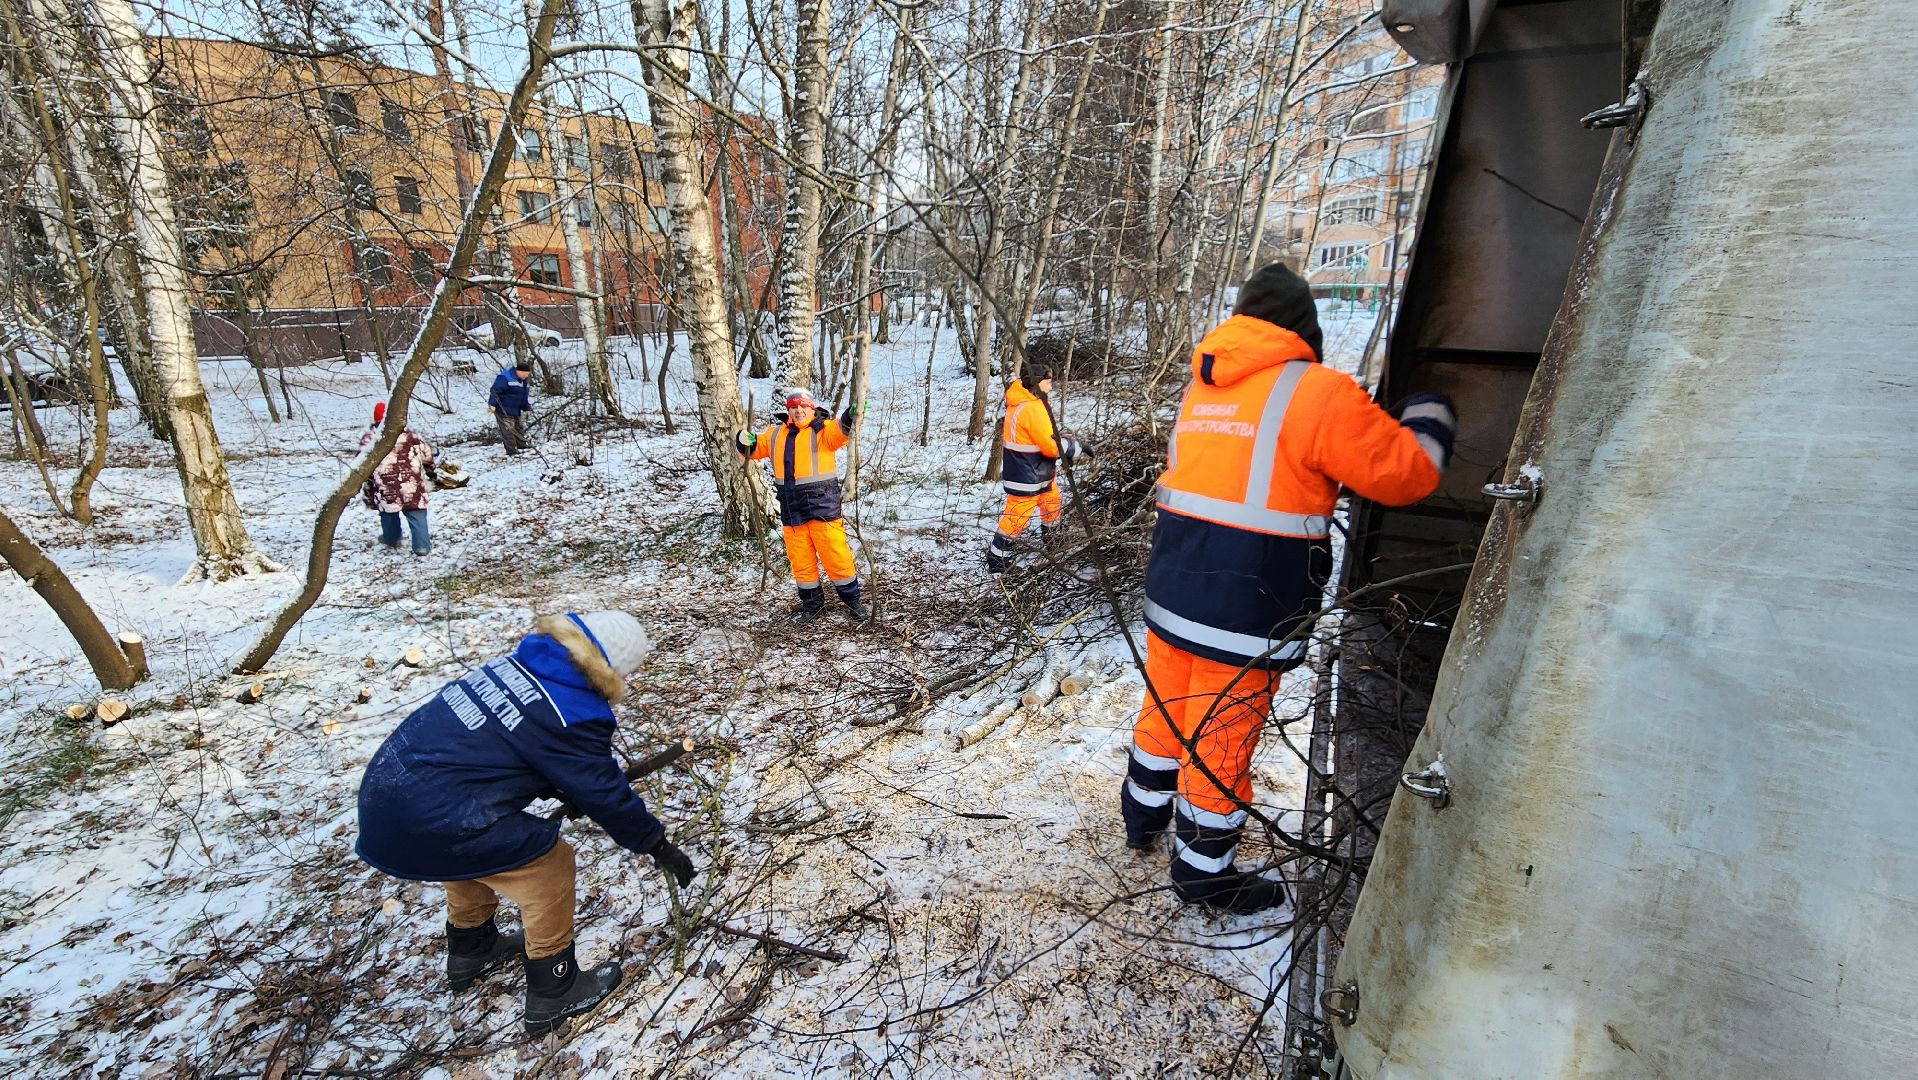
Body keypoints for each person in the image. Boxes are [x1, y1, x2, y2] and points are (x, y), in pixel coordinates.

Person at [1120, 262, 1457, 914]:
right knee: (1220, 742)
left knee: (1165, 707)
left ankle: (1142, 815)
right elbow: (1406, 474)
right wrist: (1431, 409)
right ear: (1304, 327)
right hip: (1245, 606)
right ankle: (1203, 874)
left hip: (1174, 587)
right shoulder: (1319, 393)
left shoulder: (1203, 386)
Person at [354, 611, 699, 1035]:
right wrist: (656, 845)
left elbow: (506, 743)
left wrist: (562, 785)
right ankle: (555, 988)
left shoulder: (518, 666)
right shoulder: (573, 711)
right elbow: (605, 793)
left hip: (389, 795)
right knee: (549, 865)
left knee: (473, 847)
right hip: (430, 817)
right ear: (611, 671)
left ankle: (472, 948)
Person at [734, 388, 870, 624]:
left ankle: (853, 602)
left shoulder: (823, 430)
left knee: (835, 555)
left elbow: (842, 430)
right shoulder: (775, 434)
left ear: (811, 408)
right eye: (793, 407)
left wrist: (852, 414)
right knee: (801, 561)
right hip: (792, 508)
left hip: (822, 507)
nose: (798, 411)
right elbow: (752, 450)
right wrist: (743, 441)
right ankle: (812, 606)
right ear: (788, 410)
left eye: (802, 407)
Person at [986, 360, 1090, 574]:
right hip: (1026, 476)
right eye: (1048, 382)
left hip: (1038, 472)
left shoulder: (1030, 403)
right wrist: (1075, 448)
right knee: (1016, 518)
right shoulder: (1031, 408)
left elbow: (1046, 432)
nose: (1051, 386)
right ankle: (998, 561)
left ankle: (1053, 540)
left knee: (1052, 502)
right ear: (1037, 383)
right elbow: (1050, 445)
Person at [358, 401, 435, 556]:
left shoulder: (371, 438)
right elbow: (426, 453)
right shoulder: (409, 435)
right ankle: (422, 546)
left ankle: (392, 539)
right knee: (416, 512)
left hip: (386, 485)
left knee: (388, 513)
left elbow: (360, 461)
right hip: (412, 483)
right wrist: (431, 469)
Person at [489, 357, 535, 455]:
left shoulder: (524, 382)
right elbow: (495, 391)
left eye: (528, 374)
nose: (526, 376)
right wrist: (492, 404)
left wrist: (527, 408)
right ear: (519, 371)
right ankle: (512, 451)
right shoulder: (505, 377)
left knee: (518, 428)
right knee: (508, 430)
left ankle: (521, 445)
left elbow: (523, 397)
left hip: (515, 410)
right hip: (503, 409)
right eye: (525, 374)